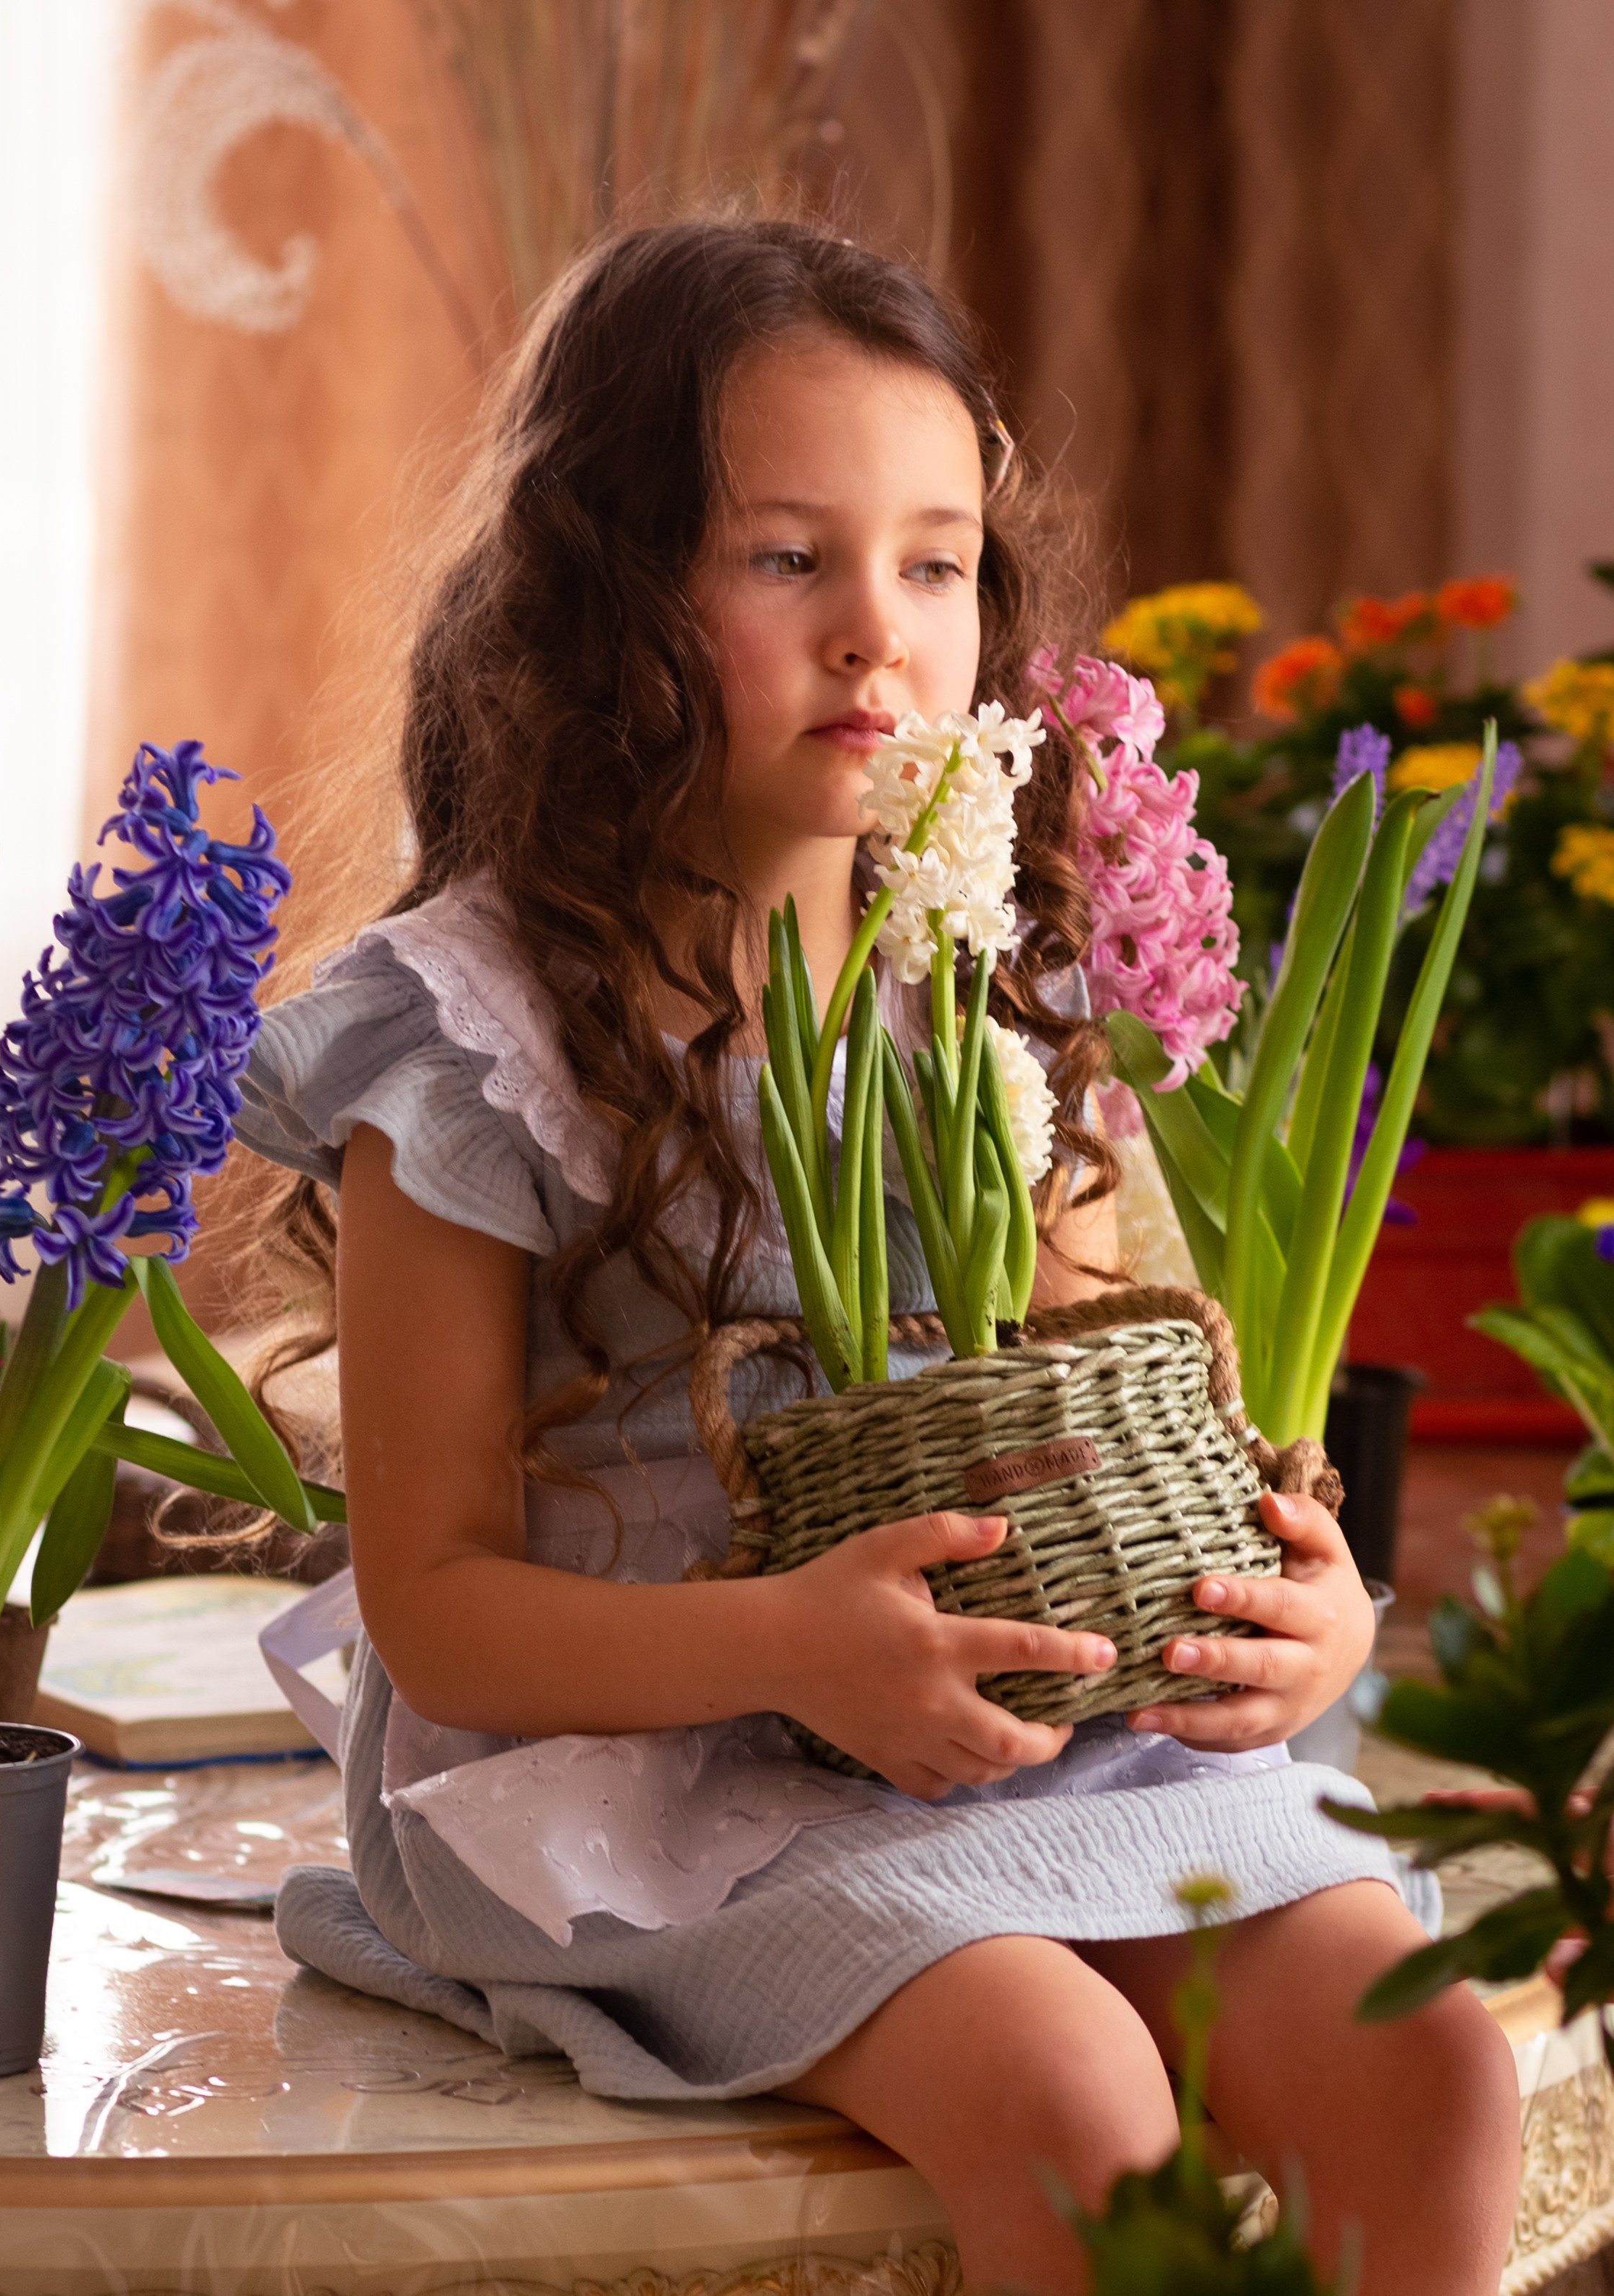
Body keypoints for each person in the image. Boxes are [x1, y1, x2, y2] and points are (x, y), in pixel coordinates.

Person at [237, 218, 1519, 2295]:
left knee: (1430, 2057)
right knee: (1077, 2104)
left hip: (1024, 1724)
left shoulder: (992, 966)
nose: (879, 636)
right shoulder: (481, 1026)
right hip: (648, 1767)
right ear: (608, 590)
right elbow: (442, 1607)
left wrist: (1316, 1610)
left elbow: (1131, 1421)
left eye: (932, 563)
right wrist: (792, 1651)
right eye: (784, 559)